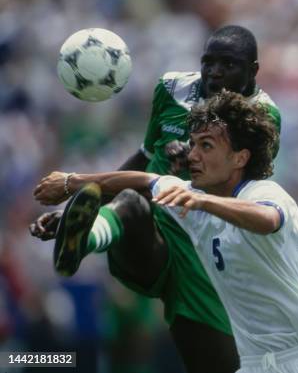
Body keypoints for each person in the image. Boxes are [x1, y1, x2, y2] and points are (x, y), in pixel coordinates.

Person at [34, 90, 298, 373]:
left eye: (206, 146)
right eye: (192, 144)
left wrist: (202, 203)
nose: (192, 155)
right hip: (256, 365)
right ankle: (88, 240)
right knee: (129, 203)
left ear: (240, 157)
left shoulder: (264, 194)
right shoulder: (193, 197)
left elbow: (266, 219)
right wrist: (73, 182)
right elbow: (142, 181)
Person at [30, 25, 281, 373]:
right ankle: (87, 236)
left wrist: (197, 161)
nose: (215, 71)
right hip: (157, 230)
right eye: (208, 61)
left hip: (205, 251)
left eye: (228, 64)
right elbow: (145, 158)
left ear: (253, 70)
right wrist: (80, 211)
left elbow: (245, 195)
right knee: (132, 205)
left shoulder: (264, 115)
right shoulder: (171, 89)